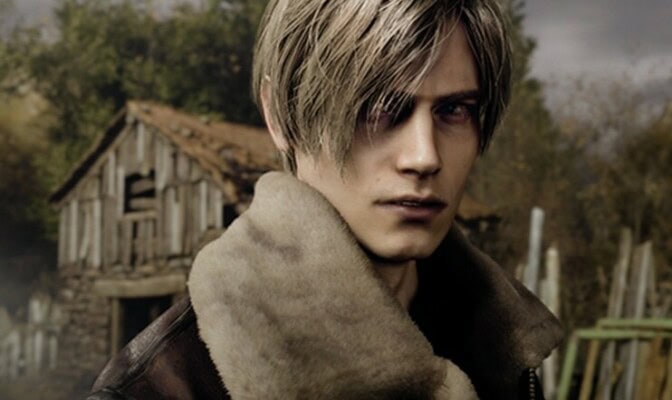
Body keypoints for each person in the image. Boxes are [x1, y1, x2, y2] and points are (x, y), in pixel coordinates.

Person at [87, 0, 563, 399]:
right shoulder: (161, 387)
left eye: (454, 109)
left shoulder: (500, 350)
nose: (424, 156)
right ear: (280, 116)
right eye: (379, 107)